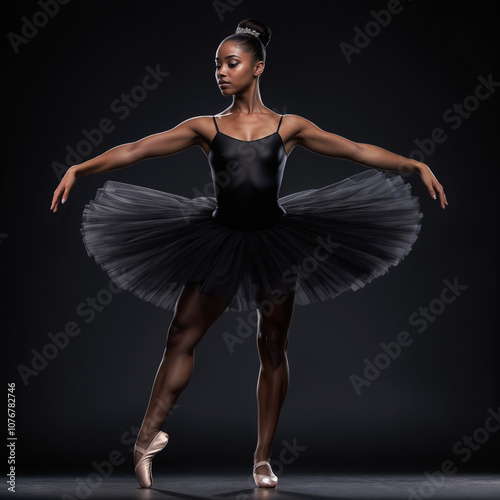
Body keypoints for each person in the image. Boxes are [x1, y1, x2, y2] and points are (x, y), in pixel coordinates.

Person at [50, 18, 447, 489]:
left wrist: (414, 163)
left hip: (277, 240)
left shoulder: (288, 126)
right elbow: (138, 149)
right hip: (220, 239)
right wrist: (80, 166)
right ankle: (144, 440)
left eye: (231, 63)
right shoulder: (205, 127)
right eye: (217, 64)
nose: (221, 72)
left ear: (257, 68)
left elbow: (356, 150)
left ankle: (261, 459)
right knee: (181, 335)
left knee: (273, 345)